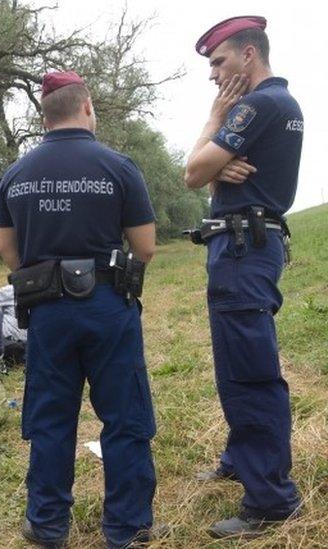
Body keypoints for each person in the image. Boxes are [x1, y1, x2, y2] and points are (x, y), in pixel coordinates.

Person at [0, 71, 158, 548]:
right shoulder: (118, 166)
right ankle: (127, 529)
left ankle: (47, 525)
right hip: (109, 306)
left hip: (46, 310)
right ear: (87, 107)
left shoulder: (15, 175)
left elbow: (8, 251)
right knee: (125, 418)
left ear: (44, 116)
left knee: (50, 417)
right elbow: (145, 246)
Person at [183, 16, 302, 538]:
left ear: (248, 55)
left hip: (241, 247)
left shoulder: (258, 104)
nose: (214, 75)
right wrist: (215, 168)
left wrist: (214, 122)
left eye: (219, 62)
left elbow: (191, 171)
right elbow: (206, 177)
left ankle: (271, 500)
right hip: (247, 242)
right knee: (239, 360)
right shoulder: (276, 107)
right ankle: (241, 457)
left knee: (248, 370)